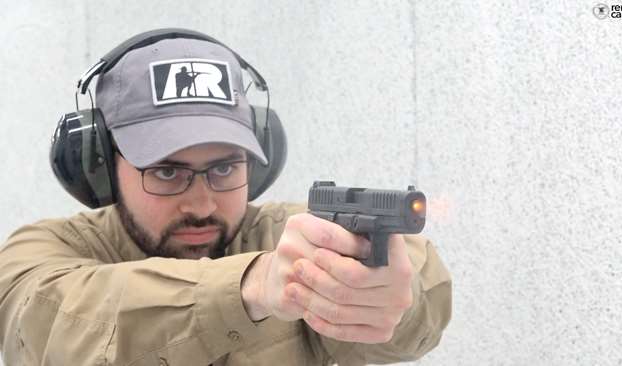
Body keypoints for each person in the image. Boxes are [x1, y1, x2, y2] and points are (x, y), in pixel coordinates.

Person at [0, 29, 451, 366]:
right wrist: (252, 287)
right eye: (166, 171)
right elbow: (45, 324)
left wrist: (387, 291)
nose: (201, 204)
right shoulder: (42, 253)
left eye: (223, 169)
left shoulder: (283, 237)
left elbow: (419, 299)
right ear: (98, 165)